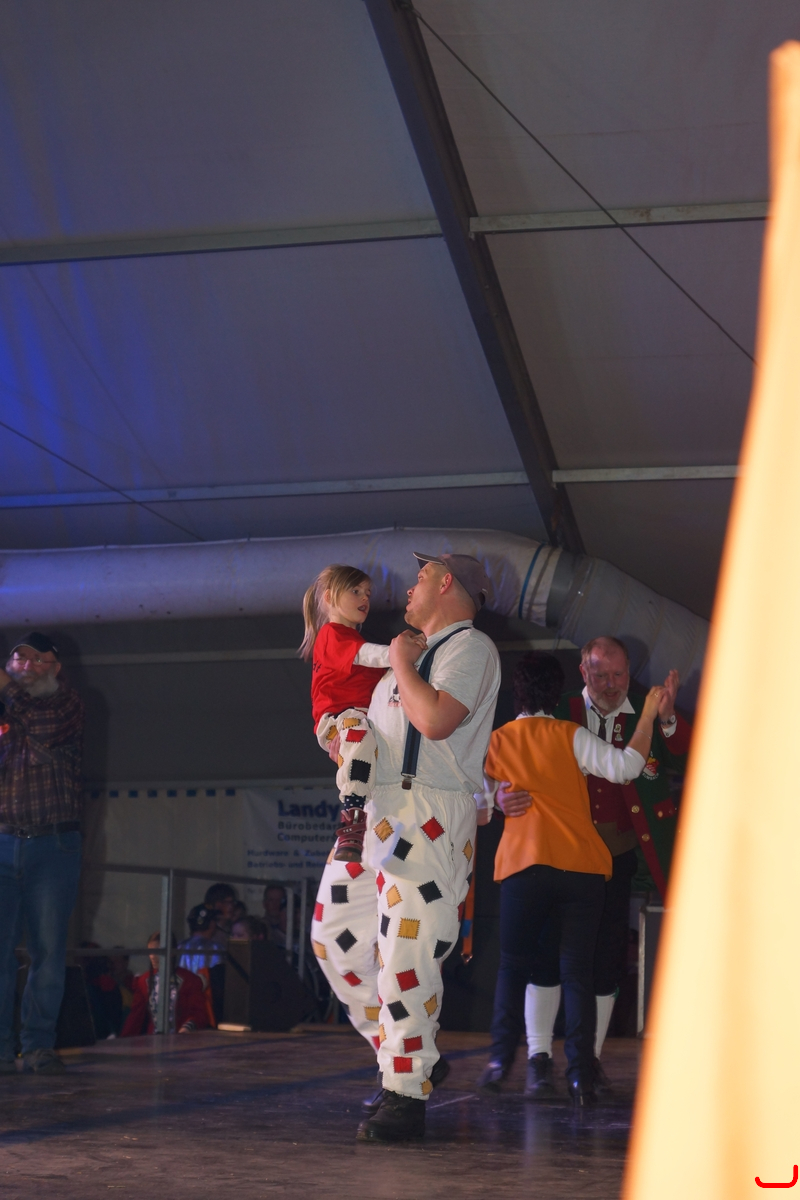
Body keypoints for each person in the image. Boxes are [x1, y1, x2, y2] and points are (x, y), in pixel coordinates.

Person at [311, 551, 501, 1142]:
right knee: (334, 939)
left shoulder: (471, 648)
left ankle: (405, 1088)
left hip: (428, 817)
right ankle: (405, 1054)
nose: (409, 588)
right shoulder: (405, 658)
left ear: (446, 583)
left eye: (421, 577)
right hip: (376, 815)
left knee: (407, 960)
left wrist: (398, 660)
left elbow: (436, 720)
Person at [499, 635, 691, 1096]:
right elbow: (512, 760)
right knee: (546, 958)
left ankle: (590, 1061)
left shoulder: (648, 711)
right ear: (583, 672)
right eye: (600, 674)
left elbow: (685, 754)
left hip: (616, 859)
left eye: (619, 674)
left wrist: (666, 718)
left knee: (605, 964)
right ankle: (539, 1057)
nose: (610, 684)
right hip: (557, 856)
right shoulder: (557, 710)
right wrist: (500, 795)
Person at [0, 632, 85, 1075]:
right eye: (19, 658)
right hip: (2, 841)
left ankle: (37, 1046)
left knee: (47, 951)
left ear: (56, 668)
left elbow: (43, 727)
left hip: (53, 846)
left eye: (37, 659)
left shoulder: (66, 703)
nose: (26, 666)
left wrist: (5, 687)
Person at [301, 565, 407, 863]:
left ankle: (368, 816)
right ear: (329, 597)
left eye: (368, 593)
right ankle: (352, 814)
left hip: (361, 720)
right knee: (358, 729)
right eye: (356, 591)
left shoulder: (353, 639)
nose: (365, 598)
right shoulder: (332, 635)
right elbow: (368, 655)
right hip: (339, 719)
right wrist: (400, 653)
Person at [121, 932, 209, 1036]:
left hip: (182, 1039)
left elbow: (199, 1013)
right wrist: (123, 1040)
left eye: (157, 952)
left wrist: (188, 1027)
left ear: (171, 952)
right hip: (153, 1040)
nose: (152, 957)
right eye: (150, 952)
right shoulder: (143, 981)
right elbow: (135, 1018)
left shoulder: (189, 980)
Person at [177, 904, 227, 1023]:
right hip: (207, 1006)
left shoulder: (178, 947)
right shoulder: (217, 949)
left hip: (180, 1003)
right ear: (211, 924)